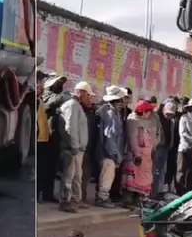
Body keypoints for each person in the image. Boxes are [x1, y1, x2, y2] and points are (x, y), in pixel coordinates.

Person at [57, 81, 96, 213]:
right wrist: (74, 145)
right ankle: (65, 201)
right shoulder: (72, 106)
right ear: (81, 93)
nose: (89, 98)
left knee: (75, 177)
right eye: (88, 95)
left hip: (77, 149)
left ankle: (73, 200)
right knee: (69, 176)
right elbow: (70, 128)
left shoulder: (76, 106)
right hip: (72, 149)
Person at [95, 85, 128, 208]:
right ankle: (102, 198)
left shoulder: (109, 111)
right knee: (107, 176)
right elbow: (109, 135)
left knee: (106, 175)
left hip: (107, 150)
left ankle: (103, 197)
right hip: (108, 152)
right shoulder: (110, 113)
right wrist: (116, 154)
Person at [122, 99, 159, 203]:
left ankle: (139, 200)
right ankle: (128, 200)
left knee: (144, 180)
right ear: (143, 111)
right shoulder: (133, 121)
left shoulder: (148, 120)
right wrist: (137, 154)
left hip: (147, 157)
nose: (150, 114)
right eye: (148, 111)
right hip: (136, 156)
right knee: (132, 179)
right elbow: (133, 139)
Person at [40, 74, 69, 202]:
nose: (60, 86)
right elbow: (56, 100)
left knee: (52, 168)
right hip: (44, 138)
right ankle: (39, 193)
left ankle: (48, 193)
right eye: (57, 84)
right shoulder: (46, 95)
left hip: (56, 138)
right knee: (43, 167)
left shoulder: (58, 98)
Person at [177, 98, 192, 193]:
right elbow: (183, 133)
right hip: (184, 148)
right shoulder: (184, 118)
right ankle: (179, 192)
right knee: (181, 171)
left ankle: (190, 192)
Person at [160, 101, 181, 197]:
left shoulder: (172, 121)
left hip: (168, 147)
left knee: (166, 168)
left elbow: (171, 133)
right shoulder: (158, 118)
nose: (169, 116)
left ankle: (164, 187)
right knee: (159, 169)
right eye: (168, 114)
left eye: (171, 115)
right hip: (159, 147)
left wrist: (171, 143)